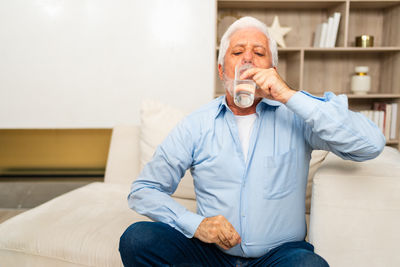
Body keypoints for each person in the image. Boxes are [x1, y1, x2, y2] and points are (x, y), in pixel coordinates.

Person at [119, 16, 385, 266]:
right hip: (212, 255)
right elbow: (144, 191)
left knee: (309, 265)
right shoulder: (196, 125)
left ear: (272, 69)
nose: (248, 59)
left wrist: (288, 95)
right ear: (222, 70)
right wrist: (196, 225)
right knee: (137, 239)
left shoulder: (296, 116)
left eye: (259, 53)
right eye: (238, 52)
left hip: (280, 255)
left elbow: (371, 144)